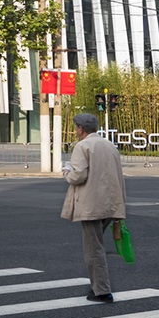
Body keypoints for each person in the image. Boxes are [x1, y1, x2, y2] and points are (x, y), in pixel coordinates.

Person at [61, 110, 127, 303]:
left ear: (80, 129)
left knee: (93, 248)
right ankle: (97, 286)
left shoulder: (83, 146)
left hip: (91, 204)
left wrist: (67, 172)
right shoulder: (109, 145)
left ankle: (102, 290)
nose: (74, 131)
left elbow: (78, 175)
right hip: (110, 202)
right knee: (96, 245)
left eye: (75, 128)